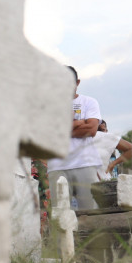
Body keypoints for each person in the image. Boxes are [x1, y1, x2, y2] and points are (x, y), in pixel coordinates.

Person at [45, 65, 101, 210]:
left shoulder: (89, 102)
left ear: (78, 82)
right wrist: (80, 123)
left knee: (90, 212)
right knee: (61, 215)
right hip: (58, 165)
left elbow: (92, 129)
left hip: (85, 163)